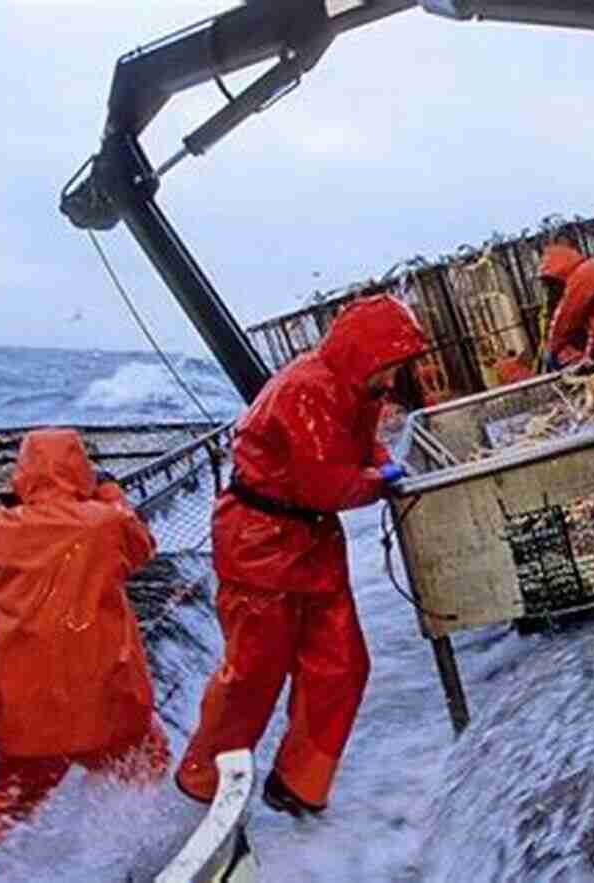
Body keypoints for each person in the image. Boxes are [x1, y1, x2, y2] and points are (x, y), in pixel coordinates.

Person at [175, 294, 428, 818]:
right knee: (254, 670)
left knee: (342, 665)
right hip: (260, 542)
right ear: (367, 353)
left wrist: (379, 465)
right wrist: (377, 482)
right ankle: (202, 782)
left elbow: (361, 449)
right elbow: (326, 487)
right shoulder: (306, 390)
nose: (396, 375)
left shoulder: (361, 384)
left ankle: (298, 784)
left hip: (311, 543)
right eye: (394, 363)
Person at [0, 429, 168, 866]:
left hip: (28, 713)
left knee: (8, 807)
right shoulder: (106, 524)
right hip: (107, 702)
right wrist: (105, 488)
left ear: (22, 477)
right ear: (79, 471)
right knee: (145, 770)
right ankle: (141, 854)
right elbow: (140, 541)